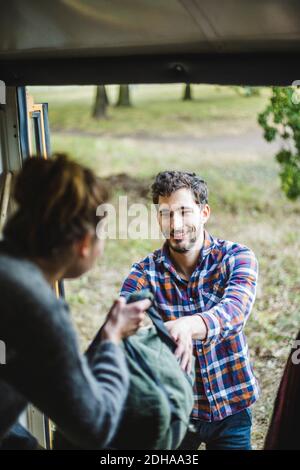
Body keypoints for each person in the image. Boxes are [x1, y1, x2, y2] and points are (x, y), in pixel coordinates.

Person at [0, 154, 151, 450]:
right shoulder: (35, 306)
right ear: (84, 243)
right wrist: (112, 338)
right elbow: (96, 426)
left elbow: (22, 378)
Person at [120, 170, 259, 450]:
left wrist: (187, 325)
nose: (176, 223)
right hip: (176, 412)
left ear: (204, 212)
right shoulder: (144, 273)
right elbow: (119, 327)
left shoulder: (237, 257)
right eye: (166, 213)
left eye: (184, 211)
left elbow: (235, 311)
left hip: (232, 406)